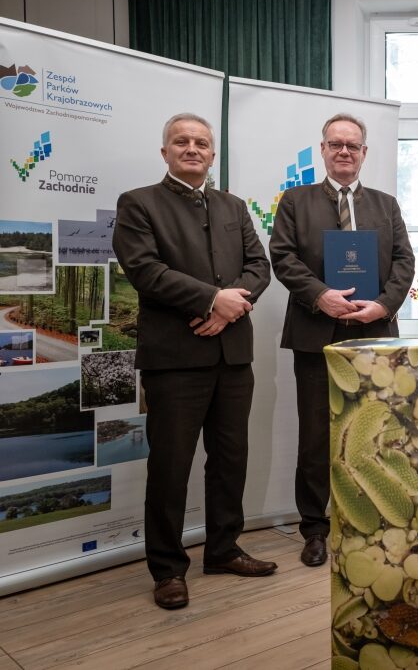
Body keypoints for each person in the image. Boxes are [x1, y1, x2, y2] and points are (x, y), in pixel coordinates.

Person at [113, 112, 274, 610]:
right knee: (171, 467)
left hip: (232, 354)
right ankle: (167, 569)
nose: (192, 149)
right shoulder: (138, 203)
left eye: (201, 143)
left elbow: (259, 266)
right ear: (165, 152)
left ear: (212, 154)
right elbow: (145, 270)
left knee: (230, 460)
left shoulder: (233, 206)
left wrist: (229, 308)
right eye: (181, 142)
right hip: (175, 359)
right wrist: (211, 300)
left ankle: (223, 550)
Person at [269, 113, 415, 568]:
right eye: (336, 144)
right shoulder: (295, 201)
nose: (344, 152)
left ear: (364, 153)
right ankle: (315, 528)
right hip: (316, 334)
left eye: (353, 145)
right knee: (315, 437)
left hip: (374, 336)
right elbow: (282, 257)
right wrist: (321, 296)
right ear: (323, 150)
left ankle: (369, 518)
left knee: (374, 431)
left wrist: (383, 306)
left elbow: (404, 262)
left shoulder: (386, 205)